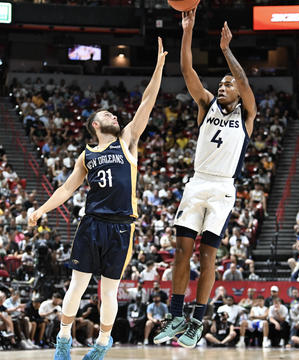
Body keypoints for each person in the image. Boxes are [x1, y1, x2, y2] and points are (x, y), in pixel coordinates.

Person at [28, 37, 167, 360]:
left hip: (121, 227)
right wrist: (39, 209)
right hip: (91, 223)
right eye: (108, 115)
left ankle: (103, 344)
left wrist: (159, 67)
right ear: (95, 124)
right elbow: (65, 190)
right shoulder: (86, 155)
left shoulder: (129, 141)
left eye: (115, 115)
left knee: (108, 291)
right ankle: (63, 338)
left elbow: (147, 101)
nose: (115, 117)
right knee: (77, 285)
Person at [155, 8, 256, 350]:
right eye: (221, 83)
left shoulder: (248, 114)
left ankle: (197, 320)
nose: (223, 86)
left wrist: (227, 51)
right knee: (181, 252)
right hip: (197, 183)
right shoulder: (206, 104)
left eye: (228, 84)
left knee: (207, 256)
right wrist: (188, 30)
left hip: (223, 188)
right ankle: (175, 315)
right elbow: (187, 70)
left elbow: (243, 82)